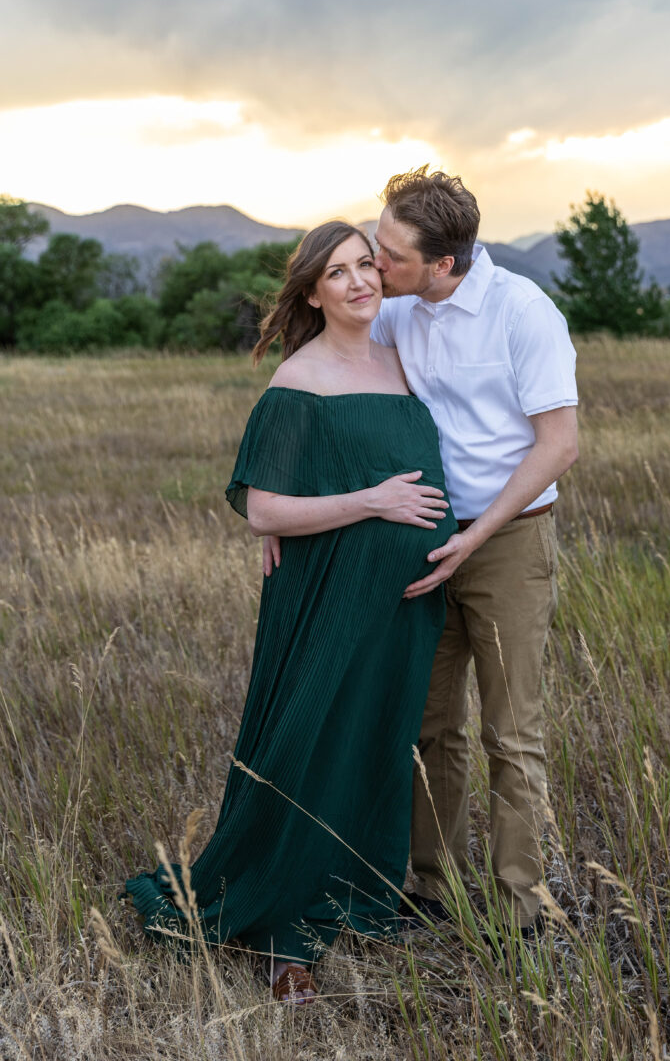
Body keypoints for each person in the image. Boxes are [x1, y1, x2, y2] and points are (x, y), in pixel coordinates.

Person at [125, 221, 457, 1004]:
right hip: (328, 598)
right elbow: (264, 510)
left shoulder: (399, 359)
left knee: (378, 738)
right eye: (337, 273)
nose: (358, 282)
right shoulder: (296, 385)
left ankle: (359, 890)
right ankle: (281, 936)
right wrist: (371, 502)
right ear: (312, 292)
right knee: (307, 743)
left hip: (404, 603)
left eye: (366, 266)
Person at [370, 167, 579, 937]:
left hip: (507, 543)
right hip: (425, 541)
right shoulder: (401, 309)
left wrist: (476, 536)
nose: (375, 262)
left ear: (445, 264)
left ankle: (522, 906)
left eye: (391, 254)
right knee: (429, 725)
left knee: (510, 731)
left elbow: (560, 446)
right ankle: (434, 889)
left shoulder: (525, 313)